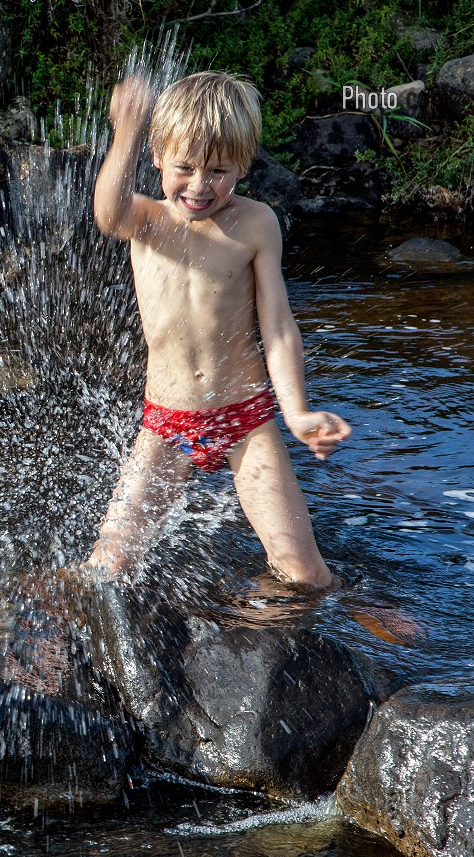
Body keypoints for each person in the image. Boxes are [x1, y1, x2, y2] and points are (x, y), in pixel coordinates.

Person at [86, 71, 351, 588]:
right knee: (109, 568)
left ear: (243, 166)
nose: (199, 186)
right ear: (158, 155)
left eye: (218, 171)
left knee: (302, 573)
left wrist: (296, 412)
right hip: (166, 422)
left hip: (244, 417)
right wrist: (127, 132)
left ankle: (358, 611)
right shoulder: (147, 219)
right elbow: (106, 213)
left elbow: (277, 325)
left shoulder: (255, 224)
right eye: (184, 167)